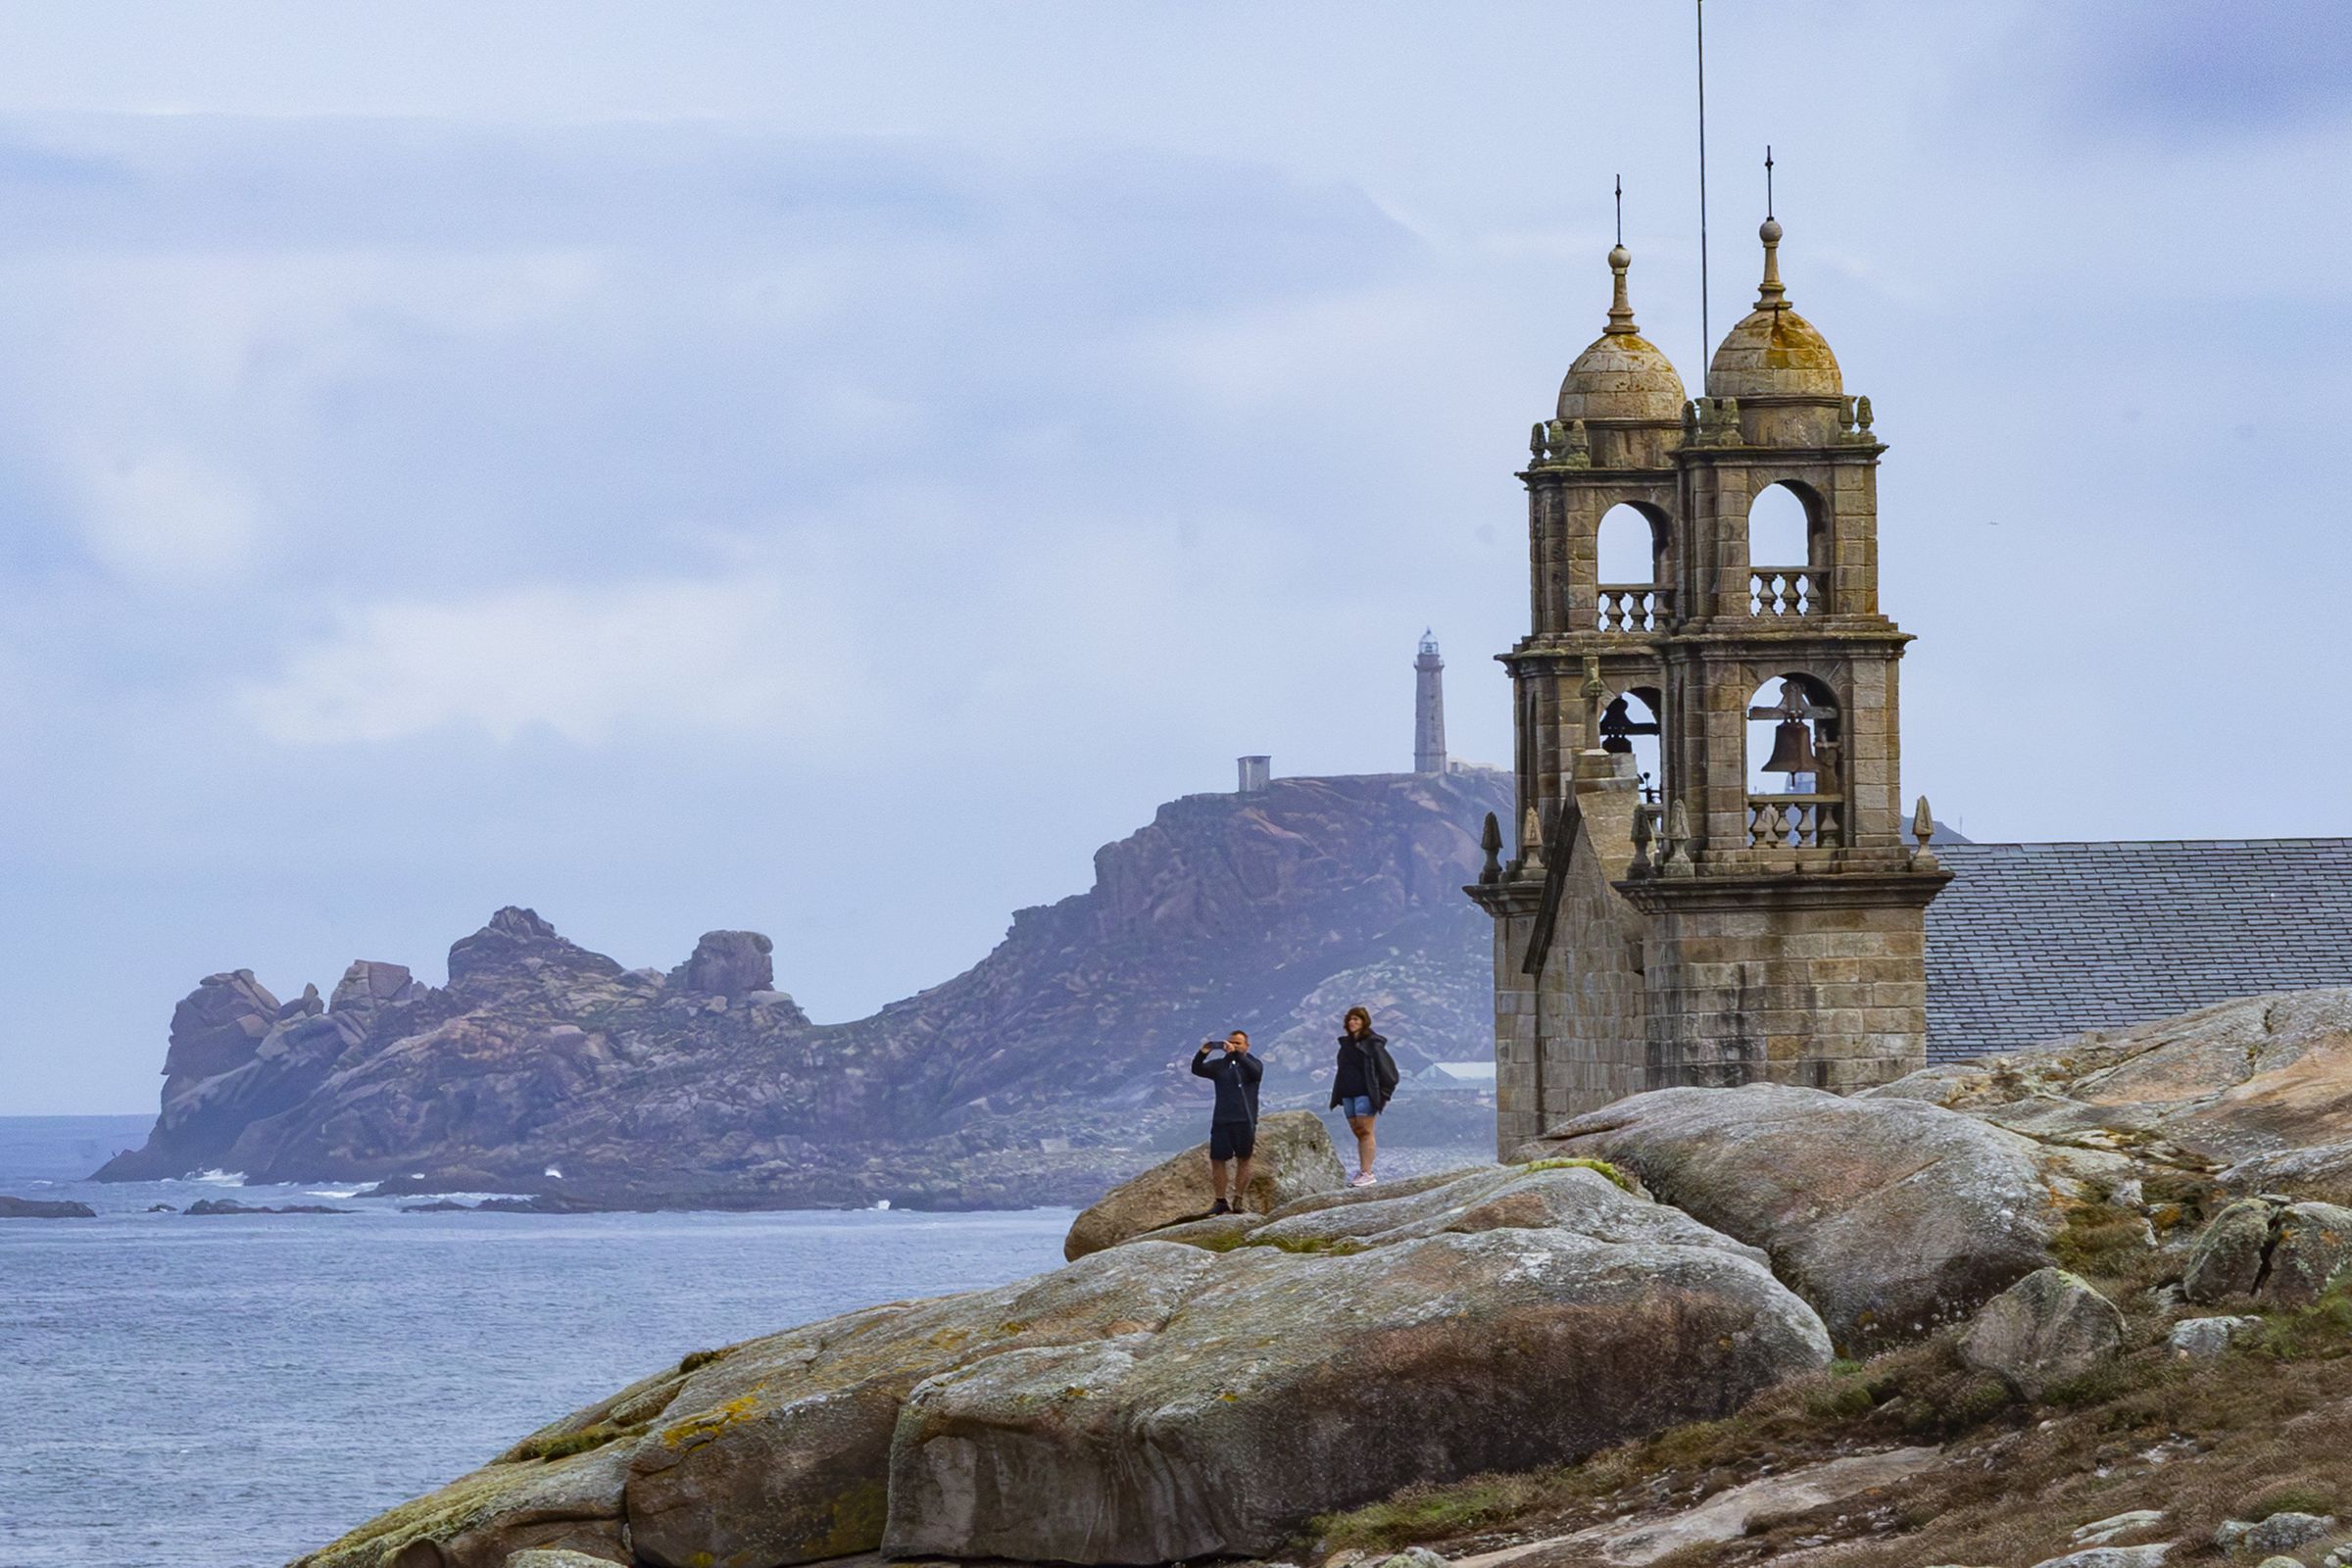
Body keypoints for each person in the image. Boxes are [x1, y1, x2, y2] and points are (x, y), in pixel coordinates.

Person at [1190, 1029, 1262, 1214]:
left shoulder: (1252, 1064)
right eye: (1230, 1042)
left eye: (1238, 1043)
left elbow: (1256, 1074)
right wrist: (1204, 1051)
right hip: (1222, 1119)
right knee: (1217, 1160)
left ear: (1247, 1046)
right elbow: (1197, 1068)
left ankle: (1238, 1198)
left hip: (1244, 1119)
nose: (1233, 1045)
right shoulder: (1220, 1066)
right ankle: (1220, 1200)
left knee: (1244, 1159)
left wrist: (1237, 1055)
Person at [1329, 1005, 1398, 1186]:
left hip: (1365, 1093)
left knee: (1366, 1130)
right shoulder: (1345, 1045)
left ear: (1364, 1022)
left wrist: (1383, 1095)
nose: (1353, 1022)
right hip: (1347, 1093)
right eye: (1350, 1019)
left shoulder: (1372, 1044)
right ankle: (1363, 1171)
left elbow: (1390, 1073)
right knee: (1358, 1130)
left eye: (1357, 1019)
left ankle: (1367, 1172)